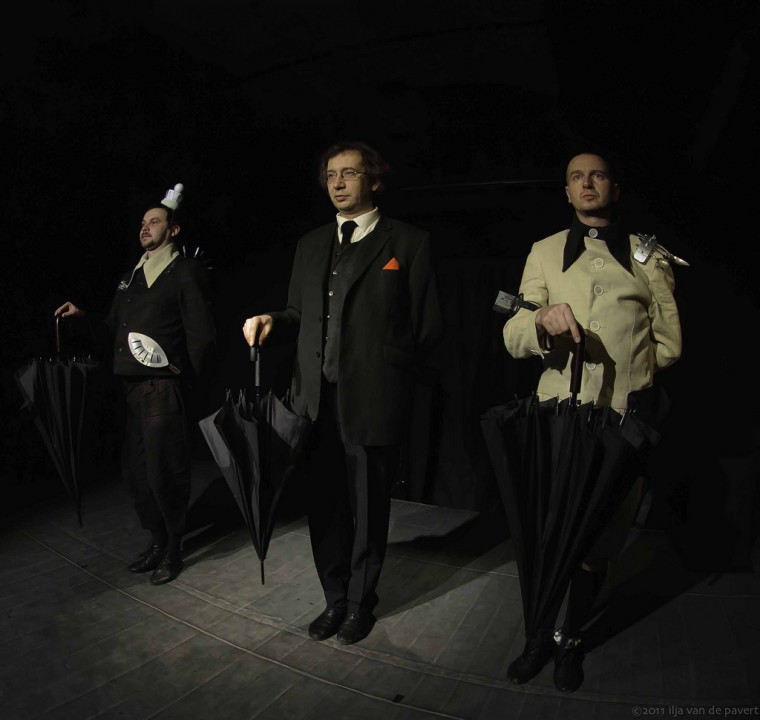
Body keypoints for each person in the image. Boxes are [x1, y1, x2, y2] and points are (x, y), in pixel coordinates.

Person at [242, 140, 443, 645]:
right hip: (314, 400)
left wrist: (393, 380)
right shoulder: (310, 244)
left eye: (349, 173)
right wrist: (271, 320)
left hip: (373, 398)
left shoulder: (408, 243)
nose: (337, 183)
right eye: (331, 174)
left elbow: (426, 329)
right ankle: (334, 599)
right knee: (325, 504)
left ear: (373, 180)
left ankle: (359, 604)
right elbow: (297, 314)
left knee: (369, 506)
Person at [502, 152, 682, 692]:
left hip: (620, 421)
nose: (587, 183)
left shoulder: (648, 255)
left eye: (597, 175)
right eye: (576, 177)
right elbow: (513, 334)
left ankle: (572, 638)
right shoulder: (544, 251)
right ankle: (538, 635)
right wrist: (540, 319)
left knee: (600, 536)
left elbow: (669, 343)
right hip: (559, 416)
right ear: (566, 192)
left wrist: (628, 373)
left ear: (615, 188)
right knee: (550, 530)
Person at [55, 184, 216, 585]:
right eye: (143, 222)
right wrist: (83, 318)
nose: (145, 228)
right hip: (132, 389)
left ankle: (174, 548)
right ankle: (157, 541)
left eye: (154, 222)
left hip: (163, 387)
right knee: (137, 474)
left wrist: (185, 380)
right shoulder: (130, 277)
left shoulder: (184, 271)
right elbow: (113, 329)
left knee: (165, 472)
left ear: (173, 230)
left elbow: (201, 334)